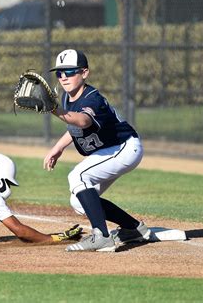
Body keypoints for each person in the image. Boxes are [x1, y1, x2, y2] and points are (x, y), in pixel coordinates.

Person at [44, 49, 151, 252]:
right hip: (109, 150)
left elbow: (83, 121)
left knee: (78, 176)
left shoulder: (93, 98)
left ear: (84, 73)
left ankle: (101, 236)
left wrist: (54, 109)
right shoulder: (68, 97)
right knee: (79, 201)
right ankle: (134, 228)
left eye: (70, 72)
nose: (63, 77)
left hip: (124, 147)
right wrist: (58, 147)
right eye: (59, 73)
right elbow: (74, 126)